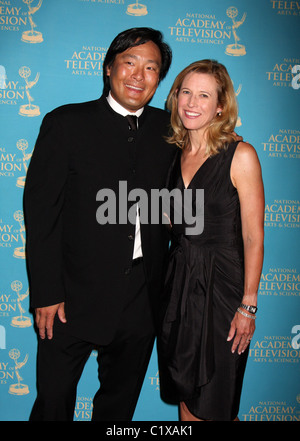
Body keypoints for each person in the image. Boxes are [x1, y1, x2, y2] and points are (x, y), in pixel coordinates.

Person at [24, 27, 176, 421]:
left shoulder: (173, 131)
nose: (139, 76)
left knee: (117, 410)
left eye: (151, 68)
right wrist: (45, 293)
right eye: (130, 63)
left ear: (160, 79)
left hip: (141, 299)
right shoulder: (65, 123)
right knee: (53, 405)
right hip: (68, 298)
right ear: (109, 68)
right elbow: (41, 214)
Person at [158, 60, 264, 421]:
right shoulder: (172, 155)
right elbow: (171, 220)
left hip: (223, 292)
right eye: (186, 91)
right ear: (175, 97)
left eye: (204, 95)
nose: (192, 101)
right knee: (186, 396)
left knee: (217, 402)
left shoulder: (241, 155)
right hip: (179, 286)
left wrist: (248, 305)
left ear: (221, 106)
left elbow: (253, 236)